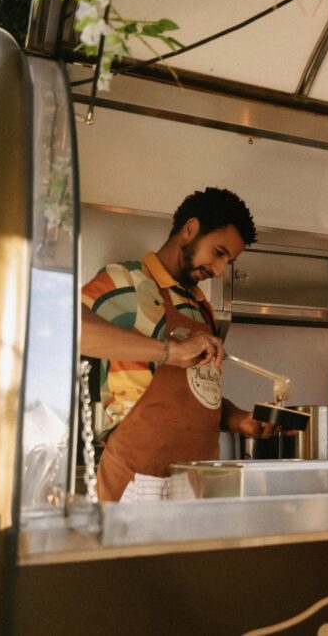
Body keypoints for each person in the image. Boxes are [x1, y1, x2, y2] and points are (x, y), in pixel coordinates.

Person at [81, 187, 275, 502]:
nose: (219, 271)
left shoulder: (201, 308)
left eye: (228, 261)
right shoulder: (125, 282)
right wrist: (171, 352)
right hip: (136, 484)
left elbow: (197, 398)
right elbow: (67, 326)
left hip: (196, 487)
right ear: (190, 230)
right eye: (219, 252)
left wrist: (240, 420)